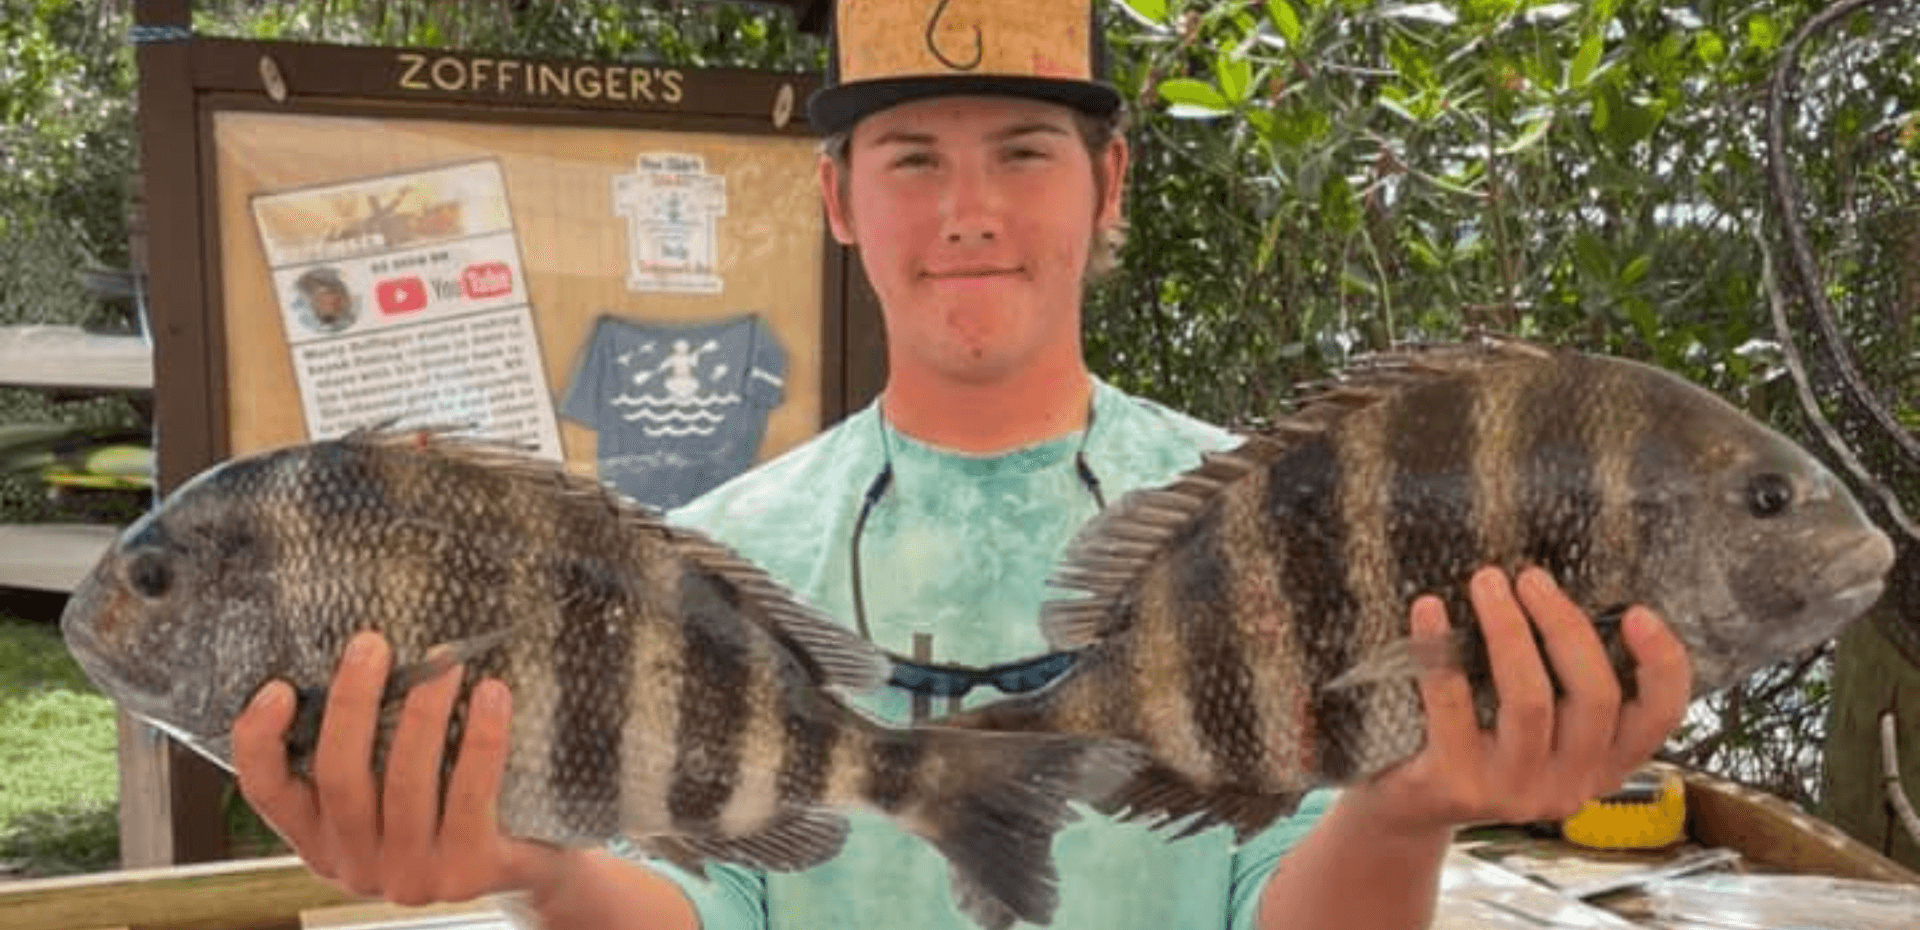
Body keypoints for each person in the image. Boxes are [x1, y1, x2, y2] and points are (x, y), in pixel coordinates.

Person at [229, 3, 1694, 928]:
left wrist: (1409, 804)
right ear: (840, 197)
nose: (971, 209)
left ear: (1110, 181)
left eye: (1027, 151)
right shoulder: (719, 551)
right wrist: (540, 864)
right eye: (913, 156)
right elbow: (693, 902)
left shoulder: (1265, 522)